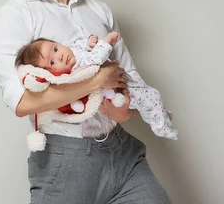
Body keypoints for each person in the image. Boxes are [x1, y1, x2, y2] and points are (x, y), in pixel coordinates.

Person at [0, 0, 172, 203]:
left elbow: (129, 77)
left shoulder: (99, 11)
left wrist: (125, 110)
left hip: (123, 155)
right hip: (63, 162)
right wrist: (97, 81)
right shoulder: (13, 17)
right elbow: (22, 102)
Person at [15, 32, 177, 152]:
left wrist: (88, 42)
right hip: (115, 93)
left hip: (121, 86)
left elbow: (78, 46)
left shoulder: (72, 52)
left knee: (149, 98)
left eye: (56, 49)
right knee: (151, 96)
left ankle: (159, 115)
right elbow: (96, 58)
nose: (61, 56)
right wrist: (105, 42)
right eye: (52, 62)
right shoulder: (76, 69)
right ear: (51, 73)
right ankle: (161, 125)